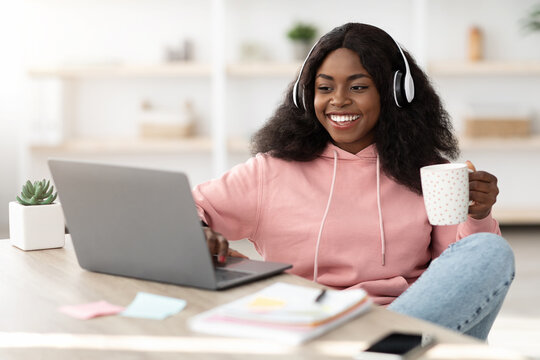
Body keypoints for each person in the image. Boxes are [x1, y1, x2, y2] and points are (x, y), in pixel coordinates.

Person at [193, 23, 515, 340]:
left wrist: (477, 215)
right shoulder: (270, 170)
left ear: (394, 94)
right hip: (307, 324)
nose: (339, 100)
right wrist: (201, 234)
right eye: (325, 87)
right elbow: (191, 206)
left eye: (358, 87)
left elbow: (458, 268)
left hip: (399, 321)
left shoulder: (428, 172)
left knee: (490, 251)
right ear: (307, 96)